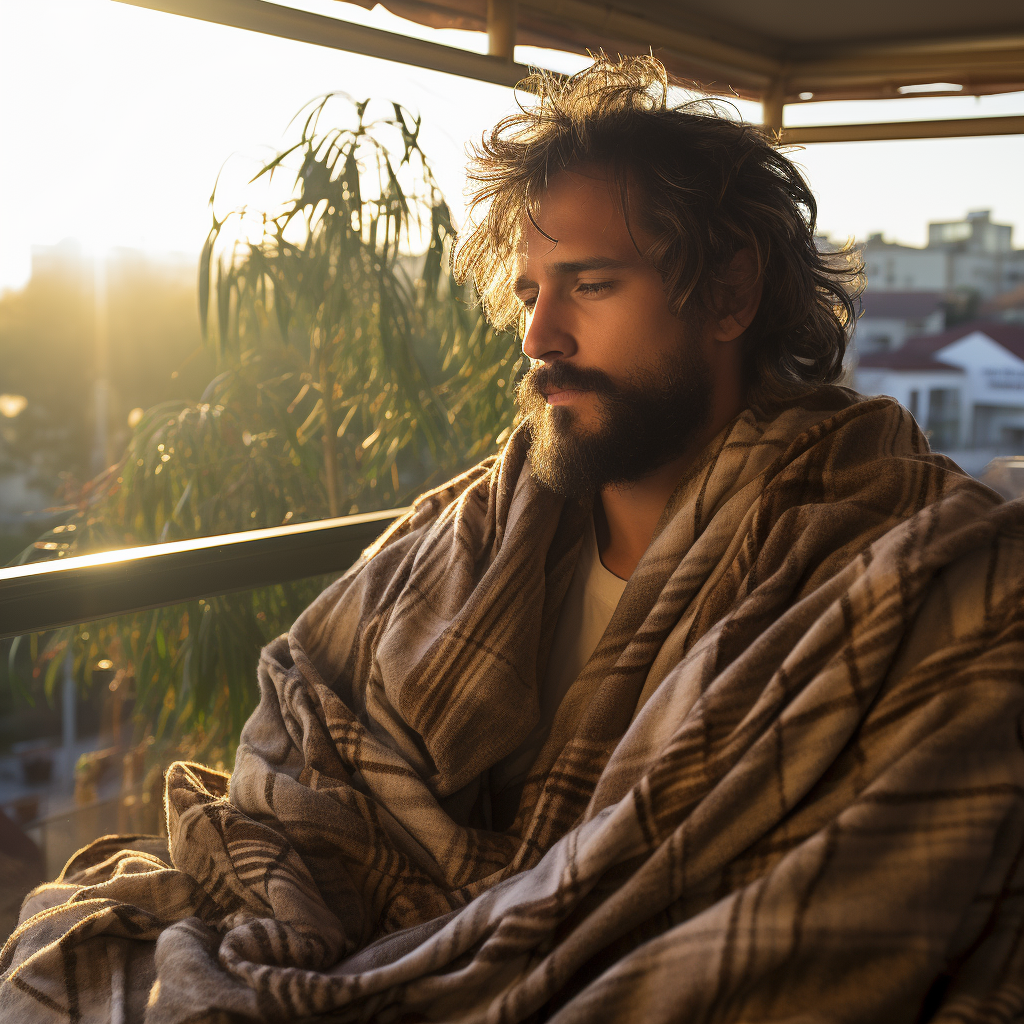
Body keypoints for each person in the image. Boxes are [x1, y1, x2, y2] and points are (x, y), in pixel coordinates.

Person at [4, 56, 1024, 1024]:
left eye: (590, 284)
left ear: (728, 294)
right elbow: (298, 753)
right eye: (531, 292)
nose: (539, 336)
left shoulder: (918, 570)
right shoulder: (462, 531)